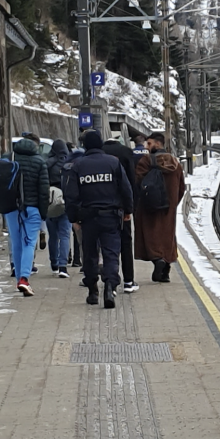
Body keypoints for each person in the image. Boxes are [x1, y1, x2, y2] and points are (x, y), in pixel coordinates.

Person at [64, 130, 133, 309]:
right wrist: (128, 210)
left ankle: (93, 290)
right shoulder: (113, 163)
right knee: (111, 253)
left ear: (85, 146)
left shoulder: (78, 165)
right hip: (111, 215)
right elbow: (126, 189)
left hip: (88, 218)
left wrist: (74, 218)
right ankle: (110, 285)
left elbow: (71, 195)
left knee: (90, 254)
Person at [134, 132, 186, 283]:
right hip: (168, 208)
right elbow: (182, 187)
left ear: (157, 144)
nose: (147, 147)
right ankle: (166, 271)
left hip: (149, 206)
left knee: (150, 235)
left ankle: (157, 260)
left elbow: (138, 181)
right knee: (167, 236)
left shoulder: (146, 161)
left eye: (149, 144)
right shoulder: (175, 163)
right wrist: (173, 202)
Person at [5, 137, 49, 296]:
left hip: (11, 208)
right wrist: (44, 213)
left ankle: (19, 280)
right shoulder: (39, 162)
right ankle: (24, 278)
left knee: (16, 243)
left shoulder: (8, 158)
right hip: (32, 208)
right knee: (29, 243)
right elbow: (43, 191)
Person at [102, 135, 140, 293]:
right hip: (121, 207)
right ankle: (129, 281)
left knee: (106, 245)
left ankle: (110, 281)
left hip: (102, 206)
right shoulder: (126, 152)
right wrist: (131, 208)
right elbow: (131, 180)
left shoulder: (99, 153)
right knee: (125, 243)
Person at [45, 139, 72, 278]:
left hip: (50, 202)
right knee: (65, 234)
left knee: (53, 235)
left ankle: (53, 263)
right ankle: (63, 266)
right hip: (65, 202)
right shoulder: (69, 163)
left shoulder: (48, 163)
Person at [64, 140, 87, 268]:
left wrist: (72, 216)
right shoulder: (86, 166)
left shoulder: (66, 166)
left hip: (68, 205)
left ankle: (76, 261)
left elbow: (70, 193)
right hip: (89, 208)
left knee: (74, 236)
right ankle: (89, 263)